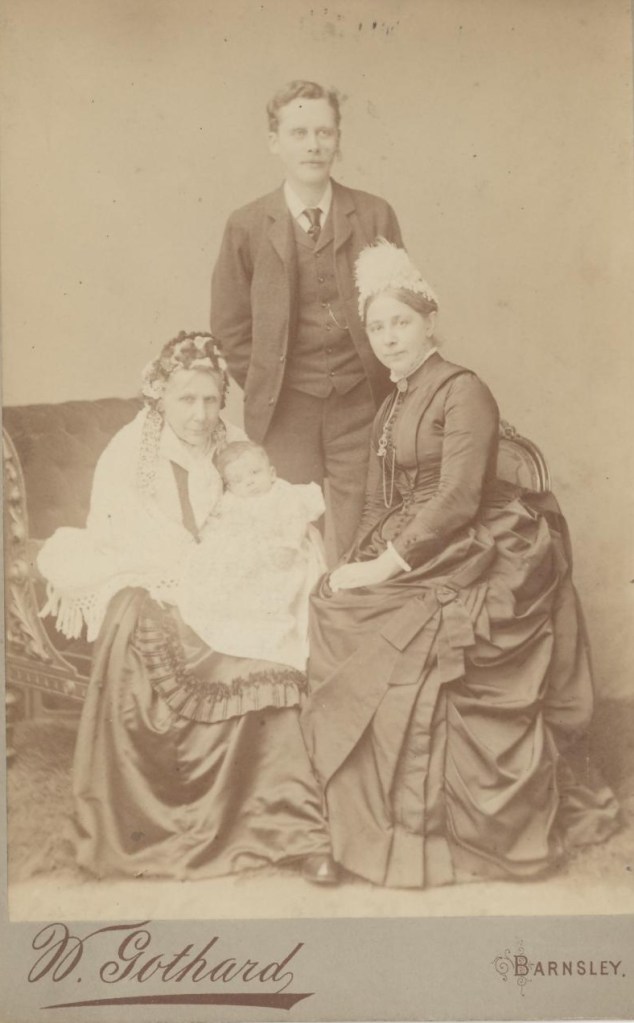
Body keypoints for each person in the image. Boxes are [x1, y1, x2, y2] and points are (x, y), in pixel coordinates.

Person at [301, 241, 621, 889]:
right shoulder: (391, 405)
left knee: (409, 625)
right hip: (419, 538)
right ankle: (357, 822)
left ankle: (422, 828)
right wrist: (354, 562)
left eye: (401, 322)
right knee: (335, 605)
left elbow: (457, 498)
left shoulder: (463, 389)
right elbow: (376, 501)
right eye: (378, 327)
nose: (389, 338)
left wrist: (384, 568)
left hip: (483, 544)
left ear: (430, 322)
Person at [37, 331, 337, 884]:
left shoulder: (234, 445)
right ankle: (168, 825)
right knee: (143, 635)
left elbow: (266, 512)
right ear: (160, 395)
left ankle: (294, 830)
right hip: (154, 581)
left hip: (229, 586)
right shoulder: (131, 451)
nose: (200, 415)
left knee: (268, 658)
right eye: (186, 399)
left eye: (210, 399)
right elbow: (119, 535)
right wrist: (192, 567)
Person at [211, 79, 404, 558]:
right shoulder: (247, 224)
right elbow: (230, 327)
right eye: (298, 133)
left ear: (338, 139)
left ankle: (354, 608)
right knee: (289, 536)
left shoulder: (374, 215)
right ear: (274, 142)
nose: (313, 145)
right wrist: (267, 380)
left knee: (366, 529)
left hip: (362, 404)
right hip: (284, 410)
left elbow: (400, 310)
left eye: (324, 132)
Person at [176, 441, 326, 670]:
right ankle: (244, 633)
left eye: (255, 472)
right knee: (227, 580)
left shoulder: (283, 493)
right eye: (238, 480)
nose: (249, 482)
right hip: (250, 556)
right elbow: (218, 523)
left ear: (272, 473)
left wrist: (288, 545)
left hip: (283, 553)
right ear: (229, 486)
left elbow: (294, 520)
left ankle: (277, 635)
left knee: (281, 591)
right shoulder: (232, 500)